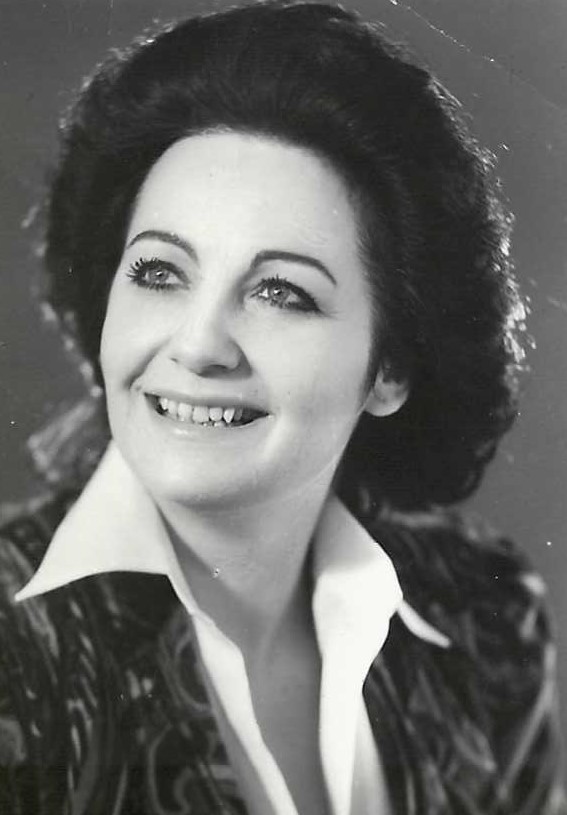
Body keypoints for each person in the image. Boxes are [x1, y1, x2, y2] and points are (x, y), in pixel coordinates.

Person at [0, 1, 564, 813]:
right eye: (159, 273)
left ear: (390, 369)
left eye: (280, 292)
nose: (199, 345)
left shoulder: (484, 616)